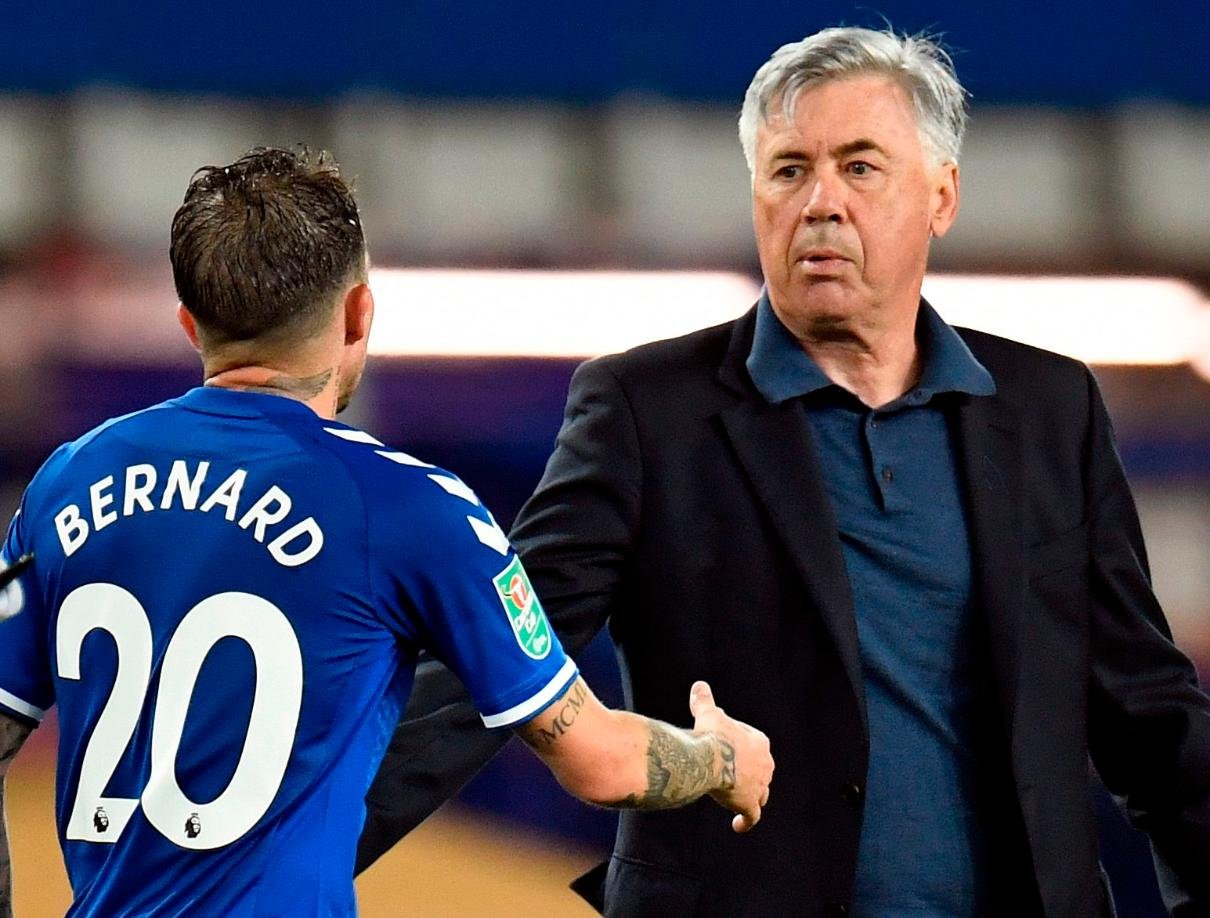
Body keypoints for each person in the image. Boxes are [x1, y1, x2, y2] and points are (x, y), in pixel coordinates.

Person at [355, 27, 1210, 917]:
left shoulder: (1047, 408)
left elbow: (1148, 714)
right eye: (790, 169)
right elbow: (496, 653)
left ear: (942, 195)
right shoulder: (647, 411)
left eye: (861, 167)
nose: (821, 203)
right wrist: (285, 845)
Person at [0, 147, 773, 917]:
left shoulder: (67, 482)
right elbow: (599, 762)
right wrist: (717, 758)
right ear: (360, 311)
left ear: (189, 322)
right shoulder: (412, 509)